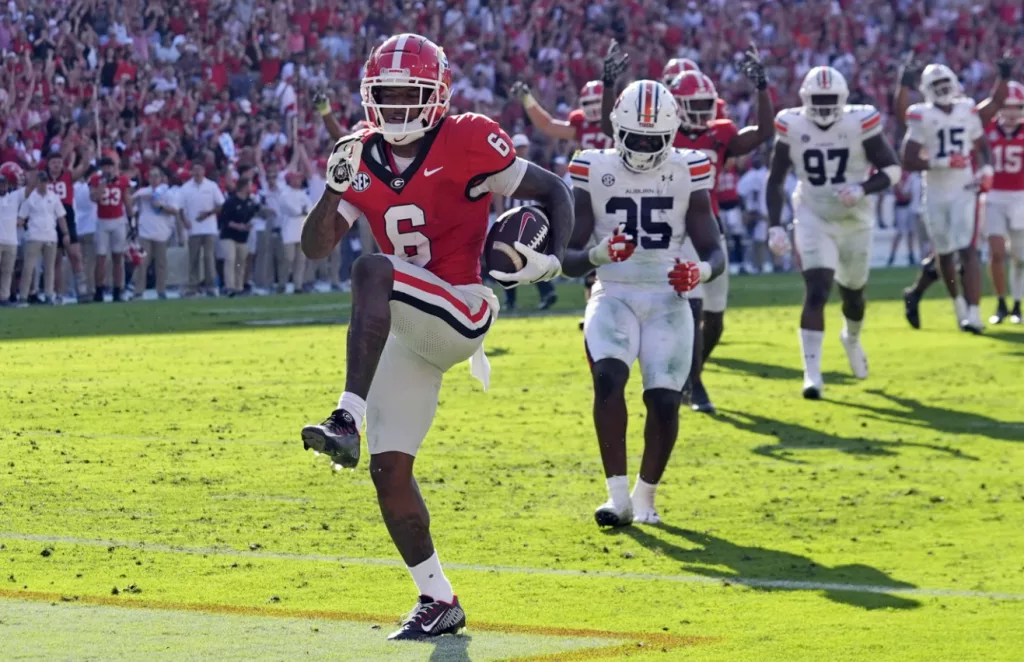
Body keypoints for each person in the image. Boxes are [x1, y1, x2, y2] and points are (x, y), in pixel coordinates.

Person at [297, 34, 572, 641]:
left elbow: (556, 191)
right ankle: (438, 600)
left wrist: (551, 260)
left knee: (374, 267)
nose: (394, 108)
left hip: (463, 309)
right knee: (388, 471)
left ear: (437, 96)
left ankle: (346, 416)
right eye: (384, 96)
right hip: (406, 324)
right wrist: (333, 187)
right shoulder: (358, 154)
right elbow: (316, 248)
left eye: (407, 95)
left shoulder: (469, 138)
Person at [562, 79, 725, 527]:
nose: (643, 147)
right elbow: (569, 259)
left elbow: (714, 248)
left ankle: (645, 496)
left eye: (653, 140)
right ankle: (616, 497)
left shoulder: (688, 169)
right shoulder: (592, 168)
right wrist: (598, 254)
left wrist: (700, 273)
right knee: (609, 380)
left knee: (666, 402)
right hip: (613, 292)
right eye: (635, 137)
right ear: (617, 130)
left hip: (669, 297)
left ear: (672, 135)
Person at [599, 44, 772, 414]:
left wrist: (762, 88)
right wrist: (610, 86)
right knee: (689, 310)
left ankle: (694, 373)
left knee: (716, 319)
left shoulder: (720, 133)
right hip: (675, 229)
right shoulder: (663, 133)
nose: (700, 113)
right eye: (691, 105)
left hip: (708, 226)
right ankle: (694, 383)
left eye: (704, 105)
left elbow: (761, 134)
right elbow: (609, 127)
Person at [765, 66, 902, 399]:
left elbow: (893, 170)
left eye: (830, 100)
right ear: (805, 100)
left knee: (853, 296)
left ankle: (851, 339)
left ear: (843, 99)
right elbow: (776, 178)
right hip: (813, 214)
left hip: (855, 218)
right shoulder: (791, 124)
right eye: (818, 99)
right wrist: (774, 225)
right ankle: (812, 375)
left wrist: (863, 188)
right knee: (817, 289)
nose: (824, 106)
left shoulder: (860, 122)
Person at [896, 57, 1010, 331]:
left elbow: (983, 140)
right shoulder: (922, 114)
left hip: (964, 189)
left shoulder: (966, 109)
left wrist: (987, 170)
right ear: (925, 88)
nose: (942, 87)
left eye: (945, 81)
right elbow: (907, 158)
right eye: (936, 84)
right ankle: (958, 306)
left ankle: (973, 312)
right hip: (935, 190)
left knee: (968, 251)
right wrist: (940, 162)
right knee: (944, 254)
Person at [501, 133, 557, 312]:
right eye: (519, 147)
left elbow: (544, 195)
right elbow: (498, 195)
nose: (522, 150)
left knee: (529, 260)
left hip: (531, 221)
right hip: (512, 220)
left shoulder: (534, 169)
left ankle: (546, 293)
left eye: (524, 147)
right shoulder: (505, 168)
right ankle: (513, 299)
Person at [983, 80, 1024, 324]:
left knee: (1020, 257)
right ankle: (1000, 302)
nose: (1012, 112)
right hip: (995, 195)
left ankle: (1017, 304)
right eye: (1007, 106)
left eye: (1018, 107)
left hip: (1020, 197)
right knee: (996, 253)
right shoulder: (986, 129)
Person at [510, 78, 613, 151]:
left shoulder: (617, 121)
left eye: (596, 102)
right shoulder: (581, 123)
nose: (593, 107)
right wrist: (527, 99)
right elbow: (547, 125)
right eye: (588, 103)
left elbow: (547, 125)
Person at [17, 171, 69, 306]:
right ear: (37, 182)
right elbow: (21, 218)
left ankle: (48, 294)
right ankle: (23, 296)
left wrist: (66, 233)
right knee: (29, 267)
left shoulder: (54, 197)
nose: (43, 184)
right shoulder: (30, 199)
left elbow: (61, 217)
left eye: (45, 181)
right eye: (41, 181)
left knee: (49, 268)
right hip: (34, 236)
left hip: (50, 236)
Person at [45, 153, 89, 300]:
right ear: (49, 164)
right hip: (50, 221)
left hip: (68, 219)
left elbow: (84, 167)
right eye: (53, 162)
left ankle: (82, 290)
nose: (56, 165)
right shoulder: (43, 180)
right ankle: (59, 293)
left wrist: (86, 152)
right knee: (56, 259)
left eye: (59, 162)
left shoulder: (68, 176)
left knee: (75, 255)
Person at [89, 158, 133, 302]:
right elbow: (94, 198)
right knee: (100, 257)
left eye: (110, 166)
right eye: (105, 166)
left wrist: (132, 222)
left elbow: (127, 200)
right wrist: (103, 184)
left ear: (115, 167)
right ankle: (99, 290)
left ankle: (117, 290)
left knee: (117, 257)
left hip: (118, 221)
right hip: (102, 221)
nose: (108, 169)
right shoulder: (96, 179)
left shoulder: (123, 180)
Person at [132, 167, 180, 299]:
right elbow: (131, 204)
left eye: (156, 176)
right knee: (142, 262)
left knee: (161, 263)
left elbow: (175, 210)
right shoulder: (142, 192)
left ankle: (161, 290)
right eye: (151, 176)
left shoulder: (167, 193)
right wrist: (140, 197)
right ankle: (138, 290)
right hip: (145, 232)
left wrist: (161, 206)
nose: (154, 179)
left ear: (161, 178)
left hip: (162, 233)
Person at [178, 163, 225, 296]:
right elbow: (180, 207)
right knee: (193, 258)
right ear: (191, 171)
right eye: (195, 170)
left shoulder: (211, 186)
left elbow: (221, 205)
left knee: (209, 257)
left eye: (200, 169)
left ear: (204, 171)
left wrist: (208, 213)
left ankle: (211, 286)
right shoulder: (186, 188)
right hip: (193, 228)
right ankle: (193, 286)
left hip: (209, 228)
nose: (197, 172)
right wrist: (184, 220)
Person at [218, 178, 262, 296]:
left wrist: (249, 225)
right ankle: (229, 286)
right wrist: (238, 226)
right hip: (228, 235)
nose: (251, 188)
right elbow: (224, 220)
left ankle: (239, 286)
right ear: (243, 187)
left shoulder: (250, 202)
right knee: (230, 259)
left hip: (243, 237)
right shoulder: (230, 202)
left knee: (240, 262)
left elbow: (254, 214)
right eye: (249, 185)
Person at [276, 170, 312, 294]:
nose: (298, 181)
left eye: (299, 178)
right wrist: (302, 211)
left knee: (301, 260)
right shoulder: (284, 194)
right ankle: (282, 283)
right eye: (295, 178)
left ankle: (298, 285)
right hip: (289, 231)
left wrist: (303, 211)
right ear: (289, 180)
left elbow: (310, 208)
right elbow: (293, 210)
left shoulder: (303, 193)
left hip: (302, 230)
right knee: (288, 258)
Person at [0, 164, 26, 304]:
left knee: (7, 272)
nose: (2, 186)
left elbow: (29, 188)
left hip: (11, 240)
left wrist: (29, 169)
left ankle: (3, 297)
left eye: (4, 183)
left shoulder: (14, 196)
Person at [886, 172, 921, 266]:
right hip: (901, 205)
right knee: (900, 232)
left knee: (910, 232)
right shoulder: (902, 173)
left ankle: (911, 256)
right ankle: (892, 257)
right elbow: (901, 191)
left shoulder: (911, 174)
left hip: (910, 205)